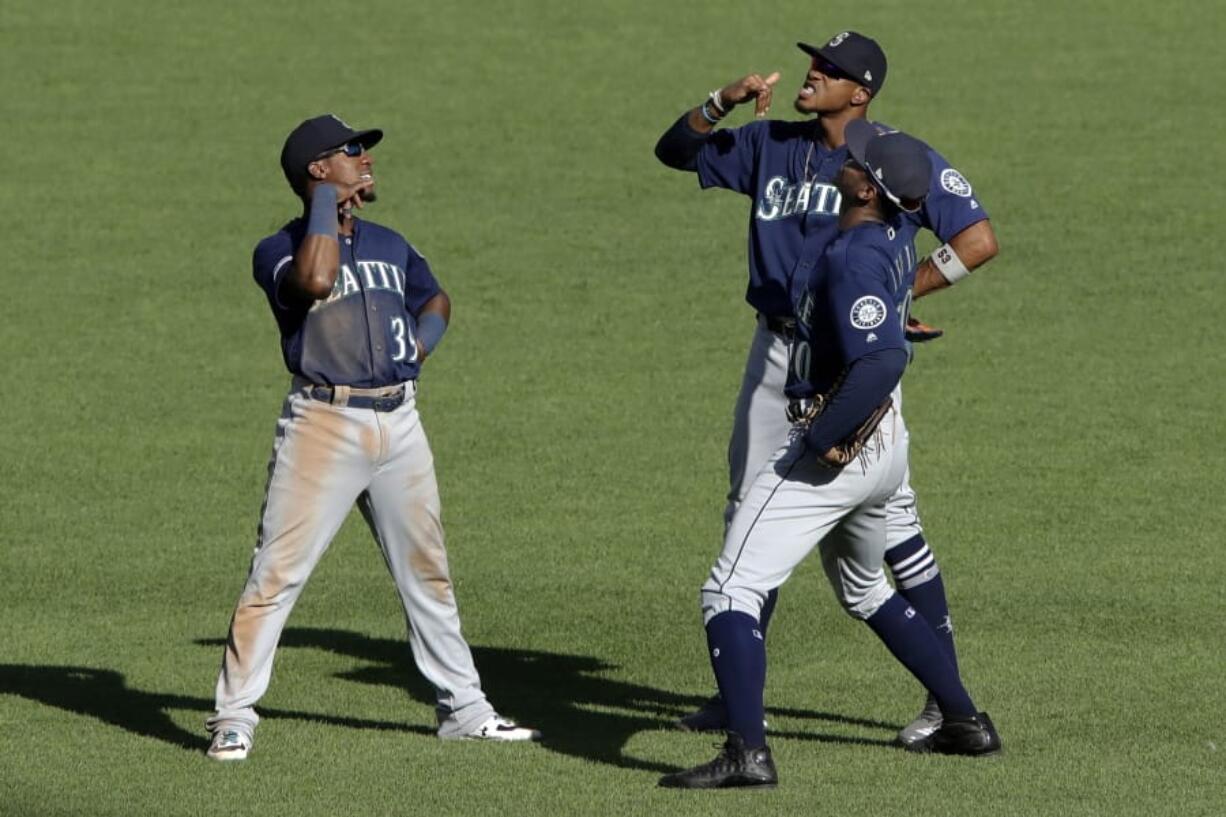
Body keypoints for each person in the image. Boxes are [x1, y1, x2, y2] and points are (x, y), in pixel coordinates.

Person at [653, 31, 999, 745]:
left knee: (893, 531)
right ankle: (738, 696)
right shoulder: (772, 143)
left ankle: (949, 704)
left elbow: (977, 239)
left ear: (861, 91)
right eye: (816, 62)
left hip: (850, 362)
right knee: (749, 511)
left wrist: (900, 296)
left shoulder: (892, 157)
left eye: (832, 70)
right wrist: (723, 101)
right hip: (777, 349)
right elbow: (674, 153)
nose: (814, 73)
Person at [205, 114, 540, 761]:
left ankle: (465, 708)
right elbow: (317, 280)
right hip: (323, 426)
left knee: (429, 573)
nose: (368, 161)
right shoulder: (276, 249)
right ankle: (232, 714)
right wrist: (325, 201)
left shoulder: (390, 242)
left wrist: (419, 346)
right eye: (352, 153)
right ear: (317, 170)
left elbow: (436, 298)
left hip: (401, 422)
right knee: (276, 573)